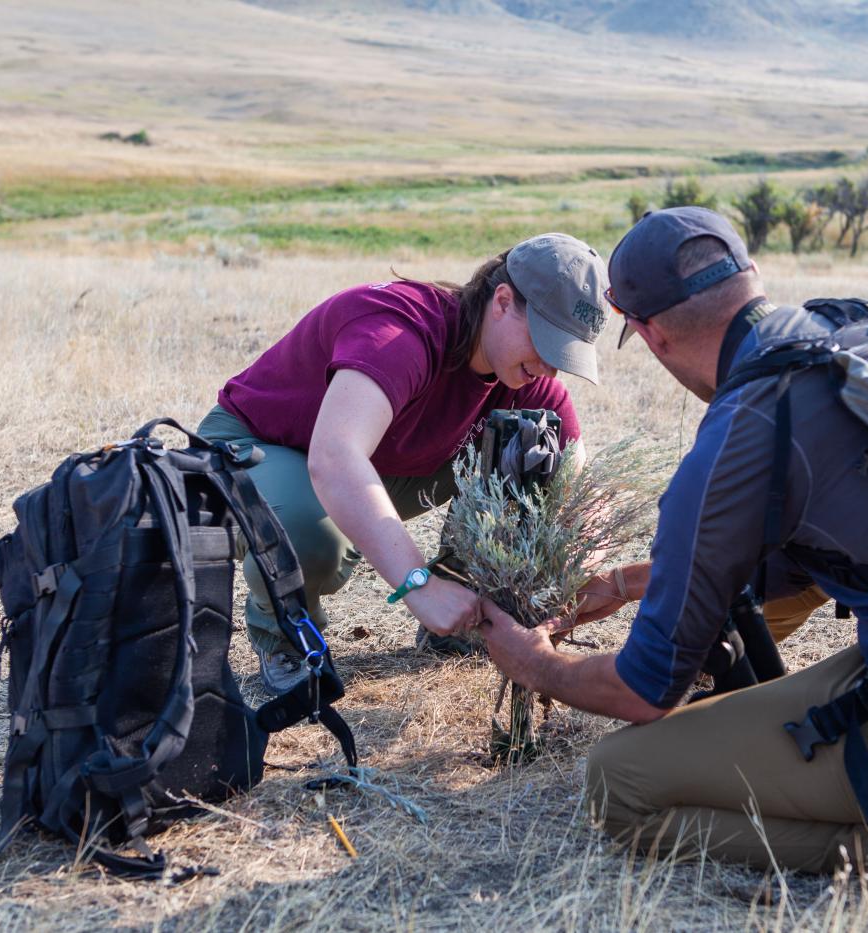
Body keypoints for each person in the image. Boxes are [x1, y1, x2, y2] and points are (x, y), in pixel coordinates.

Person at [480, 207, 868, 886]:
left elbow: (646, 689)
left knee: (618, 781)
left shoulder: (742, 433)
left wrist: (537, 664)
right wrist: (627, 582)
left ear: (652, 334)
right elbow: (804, 560)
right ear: (751, 275)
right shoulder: (848, 337)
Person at [199, 233, 609, 694]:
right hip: (256, 448)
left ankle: (463, 619)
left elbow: (579, 492)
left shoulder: (526, 379)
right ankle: (286, 636)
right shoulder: (400, 332)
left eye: (564, 352)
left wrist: (576, 571)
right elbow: (335, 457)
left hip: (372, 460)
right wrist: (419, 585)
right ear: (502, 301)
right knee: (311, 540)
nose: (551, 368)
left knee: (532, 456)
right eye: (546, 342)